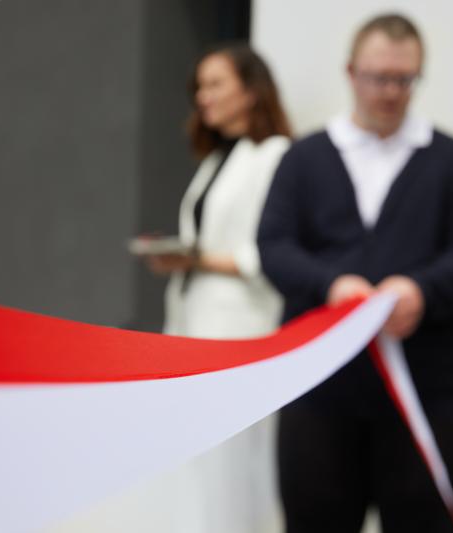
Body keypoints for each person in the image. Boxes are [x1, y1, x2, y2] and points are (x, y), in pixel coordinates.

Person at [257, 13, 453, 533]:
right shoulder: (304, 159)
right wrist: (331, 286)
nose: (390, 92)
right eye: (378, 77)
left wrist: (421, 291)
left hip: (431, 389)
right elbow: (273, 246)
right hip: (320, 386)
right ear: (351, 72)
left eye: (403, 79)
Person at [146, 43, 292, 533]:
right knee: (200, 471)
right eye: (199, 87)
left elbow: (269, 252)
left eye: (215, 84)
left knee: (233, 470)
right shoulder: (215, 160)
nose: (202, 97)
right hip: (194, 324)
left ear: (250, 92)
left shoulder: (274, 155)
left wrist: (197, 258)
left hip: (239, 331)